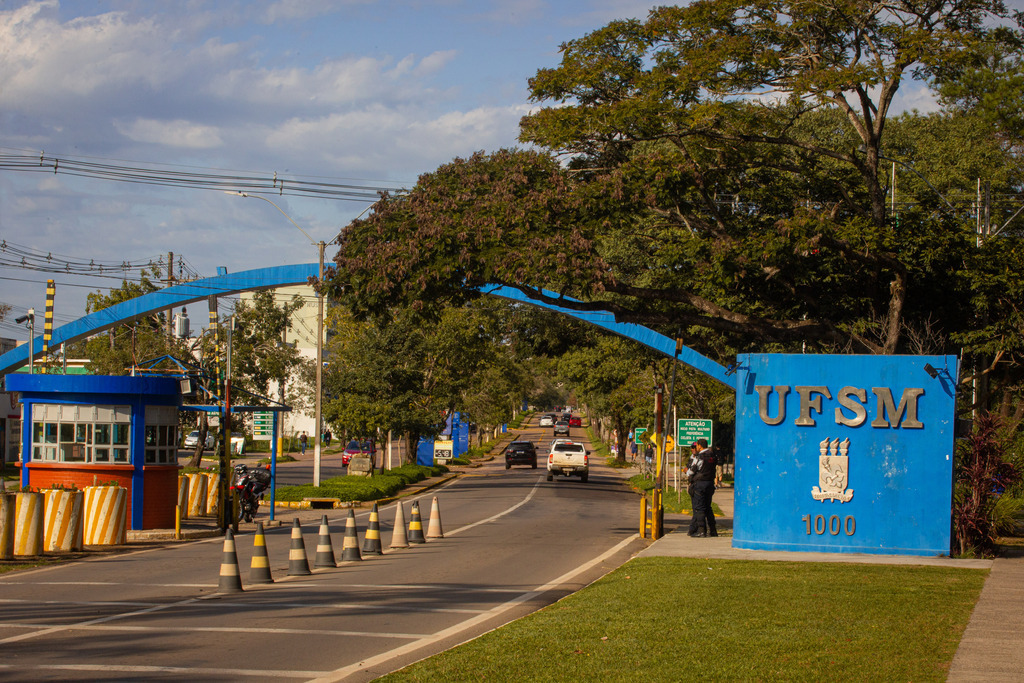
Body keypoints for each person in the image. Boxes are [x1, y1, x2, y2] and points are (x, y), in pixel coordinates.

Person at [686, 438, 718, 537]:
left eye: (697, 446)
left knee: (699, 508)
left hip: (700, 484)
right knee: (708, 507)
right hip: (710, 484)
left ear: (699, 445)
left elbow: (692, 470)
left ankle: (701, 531)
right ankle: (713, 530)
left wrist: (688, 473)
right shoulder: (713, 455)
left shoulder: (699, 457)